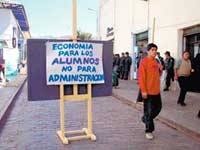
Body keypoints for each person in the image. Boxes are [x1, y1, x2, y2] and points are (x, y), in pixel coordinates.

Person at [138, 43, 162, 140]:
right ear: (148, 51)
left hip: (156, 91)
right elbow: (141, 78)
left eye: (155, 50)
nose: (154, 51)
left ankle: (145, 119)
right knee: (148, 111)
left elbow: (158, 75)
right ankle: (148, 130)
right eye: (152, 50)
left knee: (158, 108)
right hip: (147, 91)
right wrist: (143, 91)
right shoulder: (144, 62)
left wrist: (160, 70)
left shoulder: (156, 61)